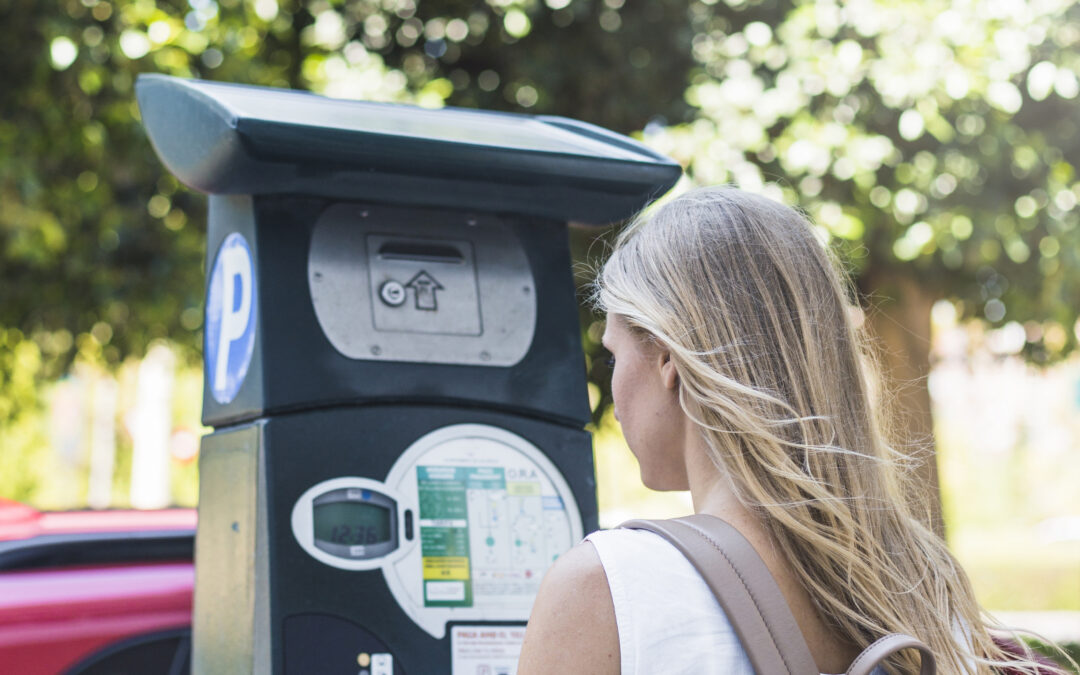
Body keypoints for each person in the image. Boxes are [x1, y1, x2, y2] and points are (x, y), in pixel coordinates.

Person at [516, 186, 1070, 675]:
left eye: (614, 358)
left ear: (666, 358)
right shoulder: (923, 586)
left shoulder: (607, 589)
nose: (612, 390)